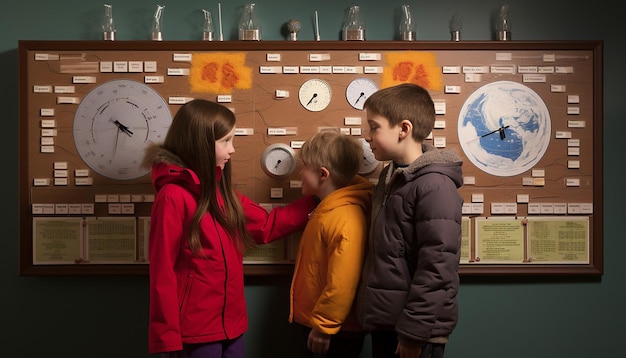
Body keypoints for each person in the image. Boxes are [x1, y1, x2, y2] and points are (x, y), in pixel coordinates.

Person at [142, 99, 318, 358]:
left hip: (231, 326)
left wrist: (319, 200)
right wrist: (166, 338)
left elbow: (266, 226)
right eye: (225, 141)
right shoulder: (172, 196)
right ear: (200, 143)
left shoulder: (220, 191)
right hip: (195, 331)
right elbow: (162, 271)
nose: (232, 149)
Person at [355, 83, 464, 358]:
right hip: (389, 322)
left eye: (374, 127)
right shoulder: (391, 176)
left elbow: (437, 266)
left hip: (416, 331)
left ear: (404, 129)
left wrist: (414, 333)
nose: (367, 136)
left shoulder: (435, 186)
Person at [289, 130, 374, 358]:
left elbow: (343, 282)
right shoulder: (329, 210)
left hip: (334, 331)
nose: (300, 172)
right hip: (322, 323)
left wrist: (324, 326)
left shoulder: (345, 217)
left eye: (304, 166)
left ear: (323, 174)